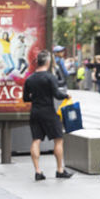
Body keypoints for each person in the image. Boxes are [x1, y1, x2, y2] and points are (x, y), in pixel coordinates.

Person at [22, 51, 72, 181]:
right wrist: (66, 96)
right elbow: (57, 94)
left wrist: (35, 96)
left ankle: (38, 171)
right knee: (58, 139)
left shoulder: (30, 79)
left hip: (35, 112)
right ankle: (60, 170)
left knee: (36, 140)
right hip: (48, 112)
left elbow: (26, 98)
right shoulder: (50, 77)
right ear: (48, 62)